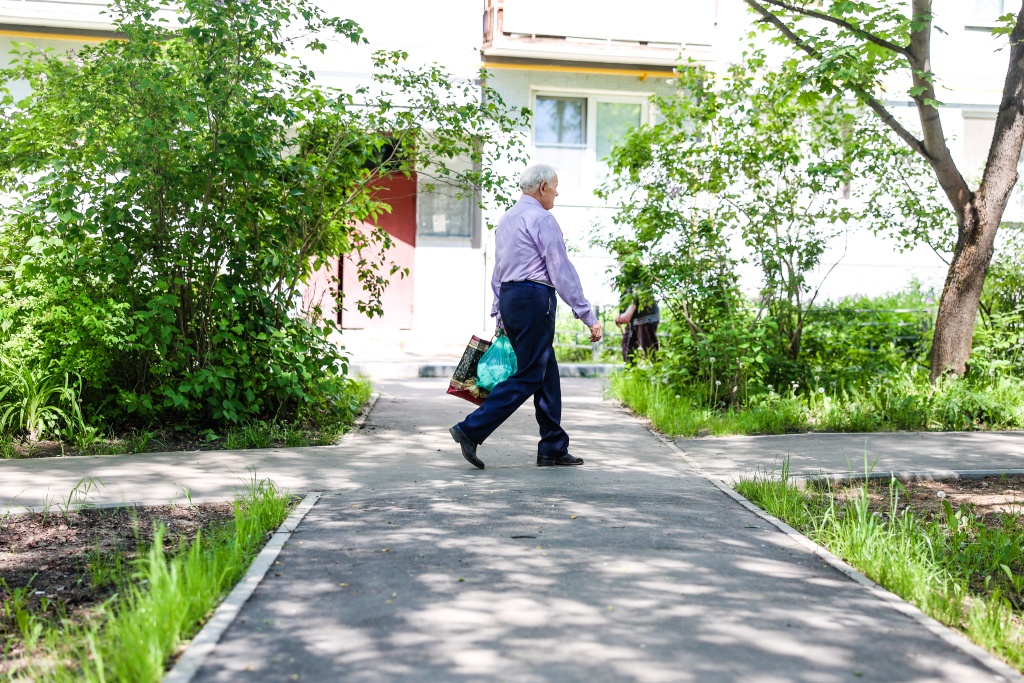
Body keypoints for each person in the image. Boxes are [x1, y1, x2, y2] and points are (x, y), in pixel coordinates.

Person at [449, 164, 602, 469]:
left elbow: (498, 271)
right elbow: (561, 269)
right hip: (534, 299)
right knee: (531, 374)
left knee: (546, 373)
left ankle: (553, 447)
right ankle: (471, 428)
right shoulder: (542, 219)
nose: (557, 192)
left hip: (510, 297)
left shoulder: (507, 219)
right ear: (543, 186)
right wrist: (587, 315)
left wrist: (499, 311)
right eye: (556, 186)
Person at [615, 281, 660, 364]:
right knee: (627, 345)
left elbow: (637, 294)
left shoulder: (635, 273)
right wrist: (622, 315)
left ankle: (659, 370)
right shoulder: (625, 277)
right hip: (634, 319)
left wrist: (627, 314)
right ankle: (630, 372)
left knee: (649, 347)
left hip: (646, 316)